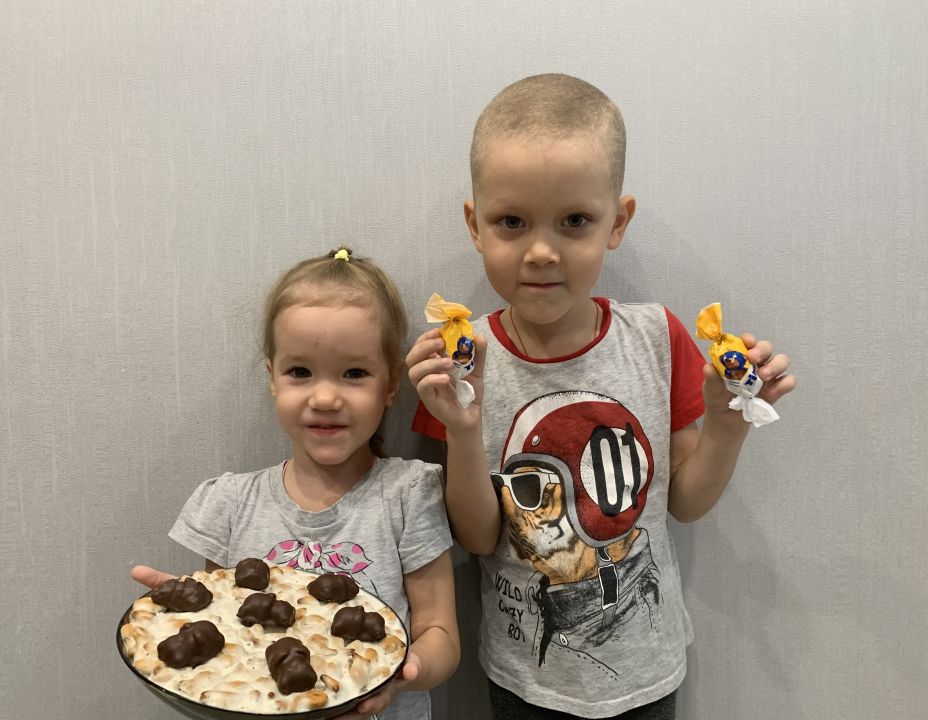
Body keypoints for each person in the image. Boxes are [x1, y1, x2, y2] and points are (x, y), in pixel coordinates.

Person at [406, 74, 795, 720]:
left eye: (575, 222)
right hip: (525, 678)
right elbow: (476, 537)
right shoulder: (463, 360)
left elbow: (685, 503)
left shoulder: (658, 339)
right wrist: (465, 429)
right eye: (511, 222)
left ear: (617, 222)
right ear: (475, 225)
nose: (541, 251)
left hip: (646, 672)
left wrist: (728, 425)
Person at [133, 248, 460, 720]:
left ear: (390, 384)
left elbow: (440, 635)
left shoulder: (408, 496)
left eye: (354, 373)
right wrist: (181, 612)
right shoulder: (230, 504)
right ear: (273, 378)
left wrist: (400, 672)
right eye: (300, 372)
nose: (324, 397)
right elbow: (224, 631)